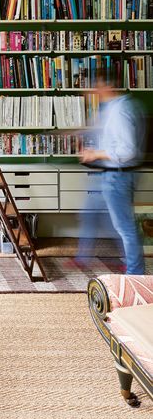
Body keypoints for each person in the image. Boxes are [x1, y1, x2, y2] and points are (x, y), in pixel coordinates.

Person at [77, 72, 145, 275]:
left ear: (106, 86)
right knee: (98, 218)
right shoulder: (115, 108)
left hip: (118, 176)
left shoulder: (119, 111)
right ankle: (85, 257)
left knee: (125, 228)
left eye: (95, 87)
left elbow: (127, 150)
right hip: (112, 174)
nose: (92, 92)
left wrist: (94, 154)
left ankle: (135, 274)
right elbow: (105, 134)